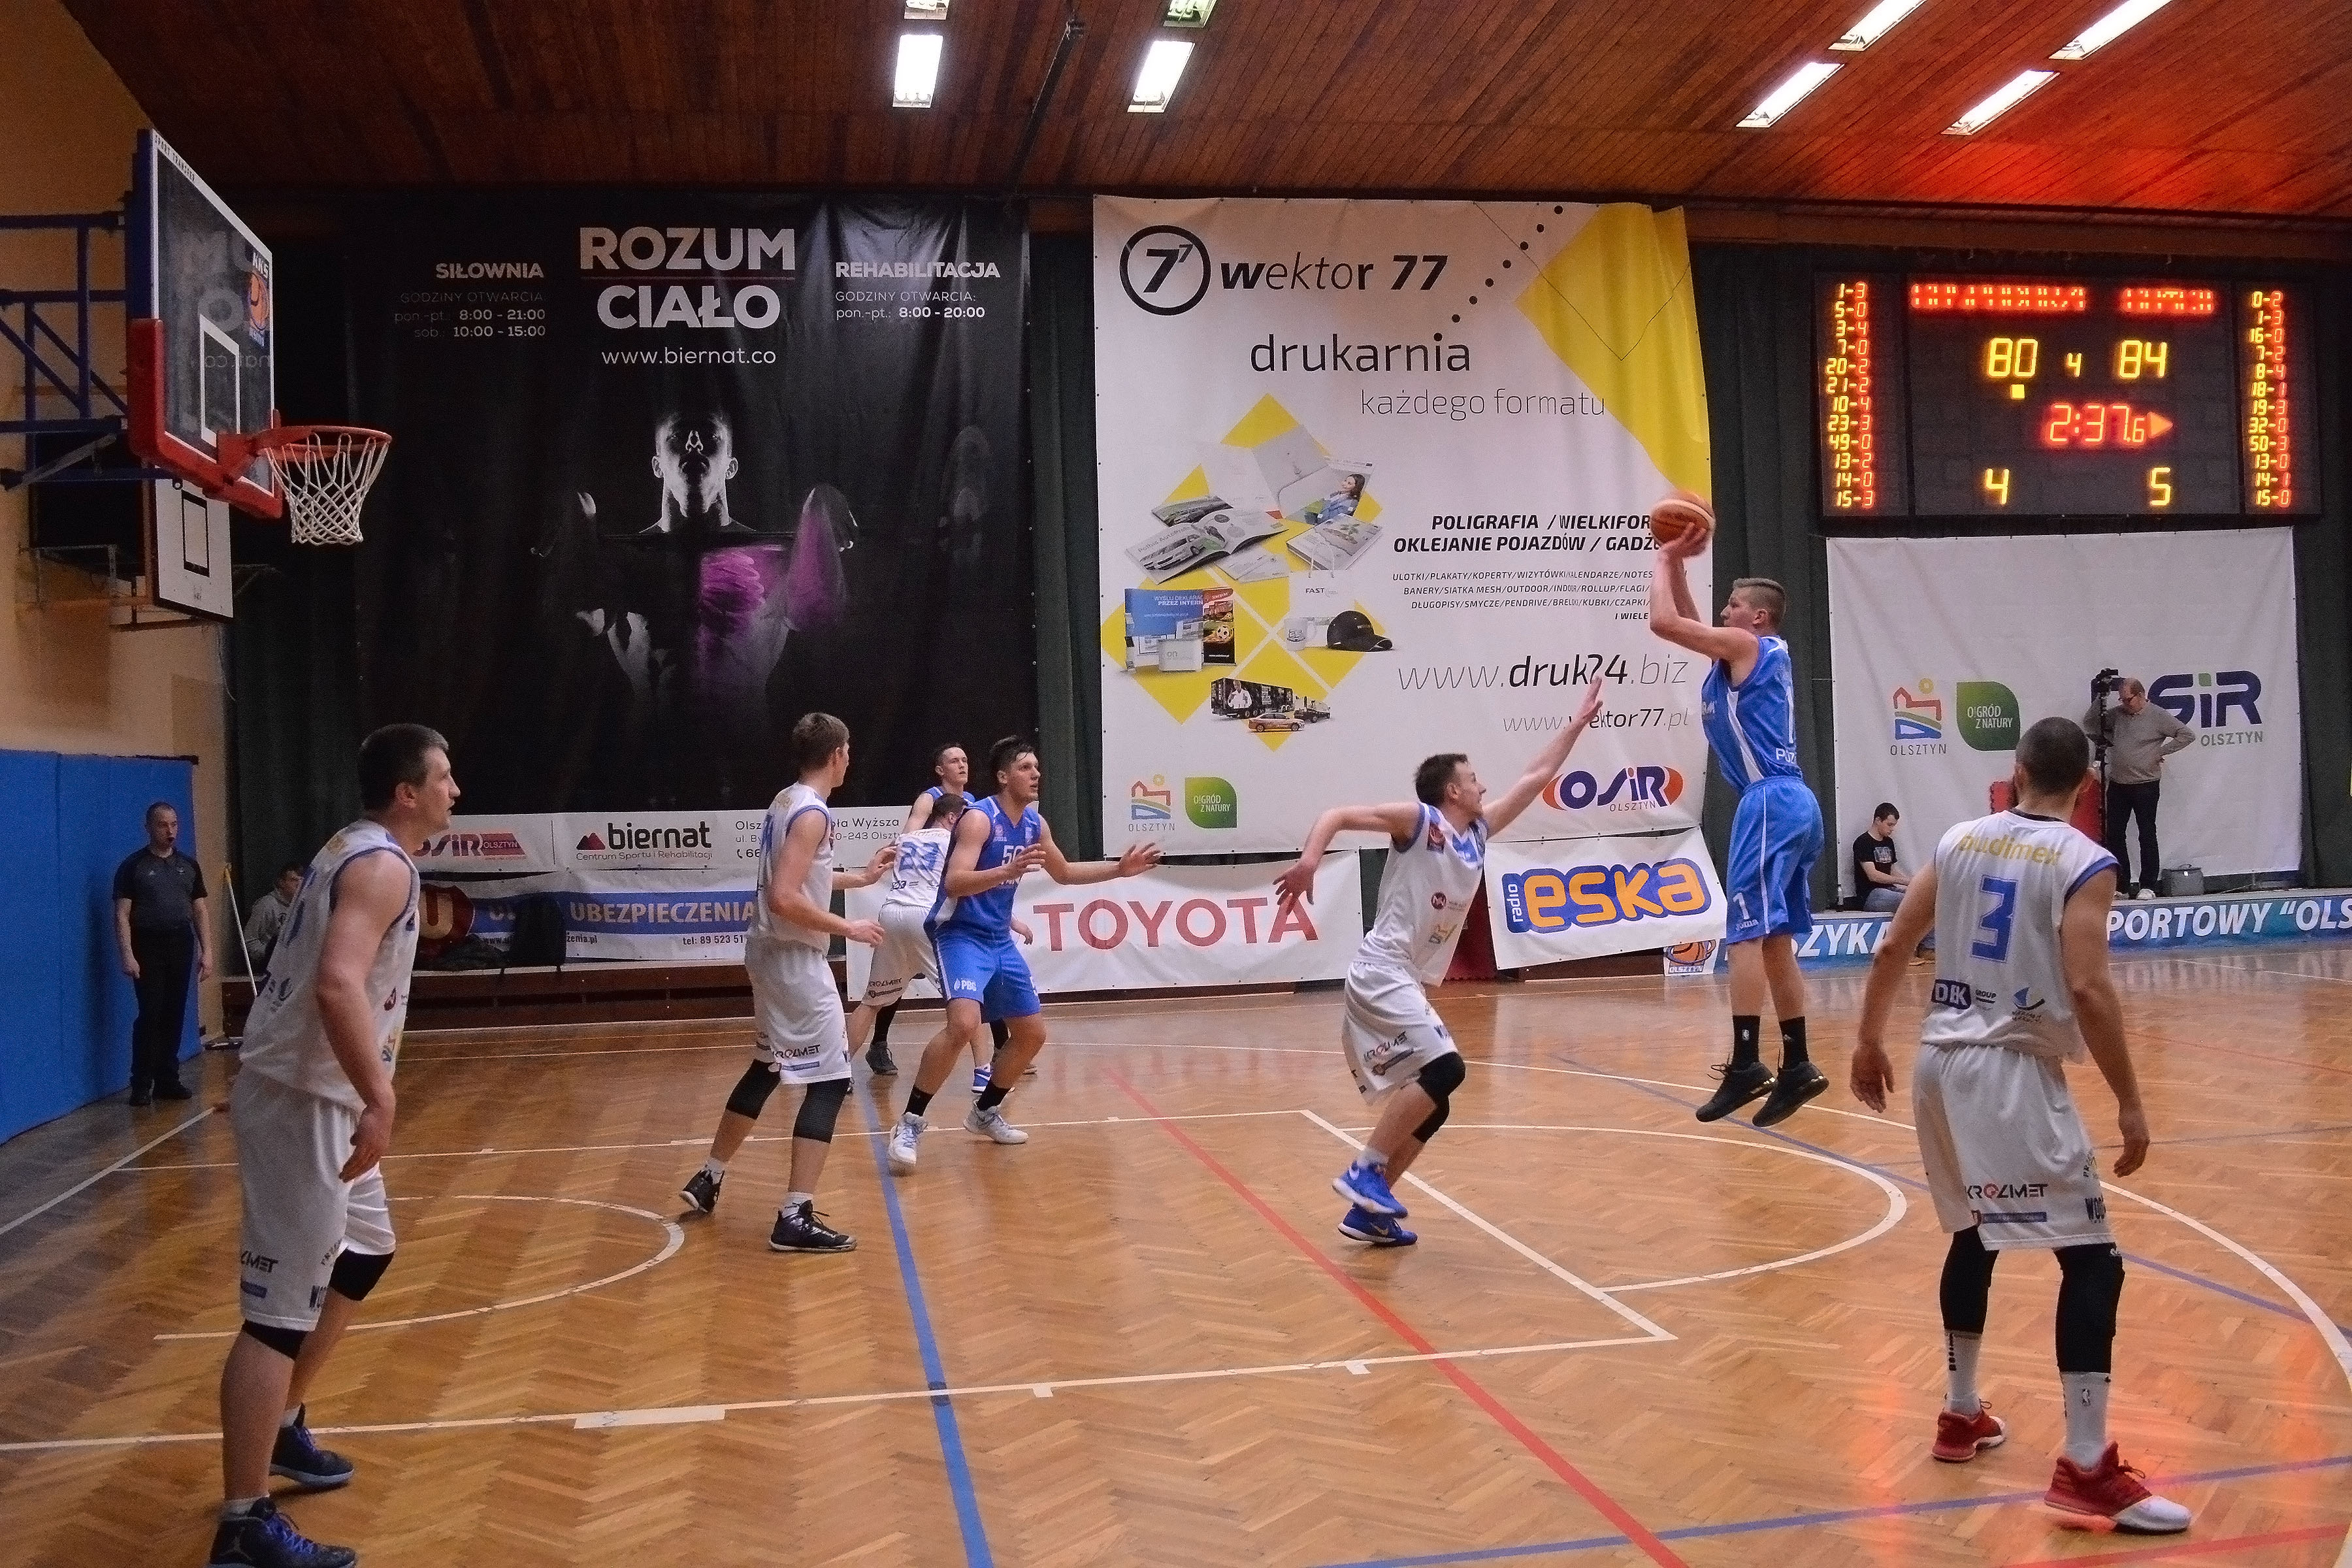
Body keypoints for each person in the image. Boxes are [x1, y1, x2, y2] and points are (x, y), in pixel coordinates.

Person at [1850, 717, 2189, 1534]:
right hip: (2009, 1074)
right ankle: (2085, 1466)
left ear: (2017, 770)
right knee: (2094, 1262)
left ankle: (1961, 1412)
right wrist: (2130, 1100)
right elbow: (2090, 988)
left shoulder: (1959, 838)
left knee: (1973, 1236)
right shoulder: (2085, 860)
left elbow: (1894, 946)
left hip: (1937, 1063)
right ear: (2087, 786)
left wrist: (1866, 1040)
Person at [209, 724, 457, 1568]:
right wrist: (381, 1096)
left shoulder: (352, 847)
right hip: (307, 1105)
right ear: (407, 792)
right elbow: (336, 981)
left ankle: (282, 1423)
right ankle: (244, 1526)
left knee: (367, 1253)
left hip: (316, 1096)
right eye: (444, 777)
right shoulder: (382, 866)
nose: (455, 790)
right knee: (277, 1317)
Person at [1275, 679, 1605, 1245]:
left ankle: (1367, 1212)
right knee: (1447, 1070)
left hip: (1403, 978)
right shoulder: (1419, 821)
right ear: (1453, 790)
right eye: (1474, 779)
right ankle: (1365, 1169)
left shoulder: (1478, 832)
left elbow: (1535, 777)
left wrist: (1575, 726)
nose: (1484, 786)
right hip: (1381, 969)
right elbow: (1338, 814)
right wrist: (1309, 861)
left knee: (1437, 1104)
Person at [885, 736, 1162, 1172]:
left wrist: (1118, 870)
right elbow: (955, 882)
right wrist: (1006, 871)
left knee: (1032, 1036)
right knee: (963, 1024)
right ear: (1003, 776)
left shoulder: (1035, 824)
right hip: (960, 935)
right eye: (1025, 768)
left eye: (1036, 767)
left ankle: (984, 1112)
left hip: (998, 938)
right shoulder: (980, 819)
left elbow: (1064, 873)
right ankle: (910, 1122)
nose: (1036, 774)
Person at [676, 713, 894, 1247]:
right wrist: (849, 927)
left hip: (768, 954)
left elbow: (801, 878)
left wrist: (863, 877)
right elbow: (784, 898)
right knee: (831, 1079)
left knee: (767, 1065)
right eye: (849, 750)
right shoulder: (813, 813)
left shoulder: (786, 800)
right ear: (837, 754)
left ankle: (709, 1176)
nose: (850, 759)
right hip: (794, 961)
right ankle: (795, 1216)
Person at [1649, 535, 1827, 1125]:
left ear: (1759, 618)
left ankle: (1747, 1063)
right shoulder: (1741, 655)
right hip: (1792, 802)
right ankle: (1798, 1063)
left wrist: (1660, 558)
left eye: (1734, 605)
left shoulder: (1748, 644)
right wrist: (1678, 562)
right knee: (1774, 940)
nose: (1724, 612)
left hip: (1770, 801)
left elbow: (1666, 623)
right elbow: (1693, 624)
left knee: (1745, 934)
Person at [869, 743, 1013, 1083]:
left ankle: (1001, 1047)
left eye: (965, 760)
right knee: (917, 984)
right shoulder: (929, 799)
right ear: (940, 770)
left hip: (942, 899)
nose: (962, 765)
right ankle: (880, 1042)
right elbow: (909, 837)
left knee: (979, 974)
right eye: (954, 761)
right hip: (924, 896)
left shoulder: (974, 803)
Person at [112, 800, 212, 1105]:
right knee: (151, 1013)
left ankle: (168, 1079)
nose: (170, 831)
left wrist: (207, 951)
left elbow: (200, 910)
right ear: (149, 828)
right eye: (163, 825)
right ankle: (141, 1083)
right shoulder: (134, 867)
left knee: (174, 1012)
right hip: (148, 944)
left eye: (174, 825)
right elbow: (122, 915)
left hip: (180, 942)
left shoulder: (188, 865)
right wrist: (128, 954)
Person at [2081, 678, 2192, 901]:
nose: (2124, 704)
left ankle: (2148, 885)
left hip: (2146, 784)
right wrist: (2100, 699)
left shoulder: (2157, 715)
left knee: (2147, 833)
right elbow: (2091, 723)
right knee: (2115, 835)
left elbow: (2187, 735)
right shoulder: (2118, 714)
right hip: (2118, 783)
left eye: (2128, 699)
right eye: (2121, 699)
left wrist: (2160, 752)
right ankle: (2122, 884)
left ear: (2141, 695)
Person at [1854, 804, 1932, 962]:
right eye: (1889, 825)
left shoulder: (1888, 842)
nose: (1892, 829)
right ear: (1878, 820)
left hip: (1889, 889)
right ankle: (1905, 952)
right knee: (1909, 902)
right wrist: (1905, 882)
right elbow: (1873, 875)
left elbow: (1891, 871)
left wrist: (1914, 884)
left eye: (1894, 825)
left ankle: (1928, 947)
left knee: (1929, 899)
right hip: (1871, 894)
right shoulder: (1863, 842)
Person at [242, 863, 305, 975]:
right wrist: (270, 954)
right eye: (293, 880)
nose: (298, 884)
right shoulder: (267, 905)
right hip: (269, 967)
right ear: (281, 883)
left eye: (301, 880)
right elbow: (249, 941)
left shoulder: (303, 907)